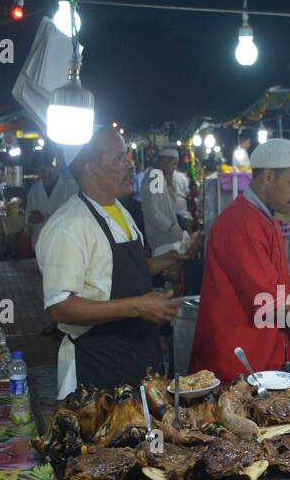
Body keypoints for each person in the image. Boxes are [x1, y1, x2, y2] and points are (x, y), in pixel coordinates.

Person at [37, 127, 198, 396]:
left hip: (139, 356)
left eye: (127, 156)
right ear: (91, 170)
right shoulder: (68, 226)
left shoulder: (118, 209)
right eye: (118, 159)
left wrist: (172, 257)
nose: (129, 164)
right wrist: (138, 306)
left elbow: (122, 269)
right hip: (98, 367)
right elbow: (59, 307)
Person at [190, 139, 290, 382]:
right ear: (267, 177)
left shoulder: (266, 218)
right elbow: (269, 305)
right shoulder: (241, 224)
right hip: (236, 368)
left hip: (262, 362)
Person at [140, 147, 194, 255]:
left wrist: (170, 184)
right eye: (174, 163)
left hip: (166, 233)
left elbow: (170, 204)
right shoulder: (155, 175)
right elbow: (152, 211)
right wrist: (169, 226)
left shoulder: (160, 176)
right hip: (162, 235)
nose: (175, 167)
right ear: (164, 161)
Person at [26, 160, 77, 246]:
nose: (47, 174)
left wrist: (44, 218)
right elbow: (27, 217)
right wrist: (31, 219)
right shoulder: (34, 190)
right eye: (42, 171)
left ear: (58, 167)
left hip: (65, 244)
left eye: (50, 169)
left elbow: (75, 217)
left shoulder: (71, 187)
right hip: (40, 245)